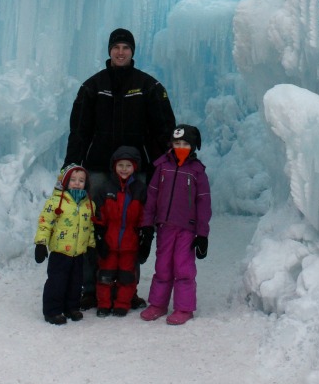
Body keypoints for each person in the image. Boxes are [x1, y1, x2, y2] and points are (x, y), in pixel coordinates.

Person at [63, 27, 176, 308]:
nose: (121, 52)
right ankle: (91, 288)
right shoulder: (93, 87)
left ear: (133, 52)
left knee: (132, 227)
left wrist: (165, 165)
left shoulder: (148, 87)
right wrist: (72, 164)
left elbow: (164, 129)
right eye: (117, 47)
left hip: (136, 170)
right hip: (99, 170)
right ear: (109, 51)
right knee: (95, 228)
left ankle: (127, 288)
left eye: (126, 47)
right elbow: (79, 130)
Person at [138, 124, 211, 326]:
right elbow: (152, 196)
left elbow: (204, 203)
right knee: (162, 266)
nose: (180, 147)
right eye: (177, 143)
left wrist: (202, 234)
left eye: (185, 144)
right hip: (164, 227)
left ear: (193, 146)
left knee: (183, 267)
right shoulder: (162, 167)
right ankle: (158, 304)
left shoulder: (197, 171)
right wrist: (146, 224)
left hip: (187, 229)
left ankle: (184, 307)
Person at [34, 164, 95, 325]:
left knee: (76, 282)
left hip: (78, 252)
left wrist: (91, 246)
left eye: (81, 180)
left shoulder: (88, 204)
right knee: (57, 282)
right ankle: (52, 311)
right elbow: (45, 222)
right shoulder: (55, 202)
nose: (77, 183)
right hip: (60, 252)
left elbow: (90, 227)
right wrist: (41, 243)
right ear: (66, 182)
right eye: (73, 180)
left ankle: (72, 307)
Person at [93, 145, 147, 316]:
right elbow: (99, 215)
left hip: (129, 244)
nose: (124, 169)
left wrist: (145, 238)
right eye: (120, 165)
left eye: (128, 165)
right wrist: (99, 236)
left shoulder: (139, 190)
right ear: (114, 166)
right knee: (105, 276)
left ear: (135, 167)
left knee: (127, 276)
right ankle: (104, 304)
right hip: (109, 242)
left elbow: (144, 217)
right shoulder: (106, 188)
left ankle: (122, 304)